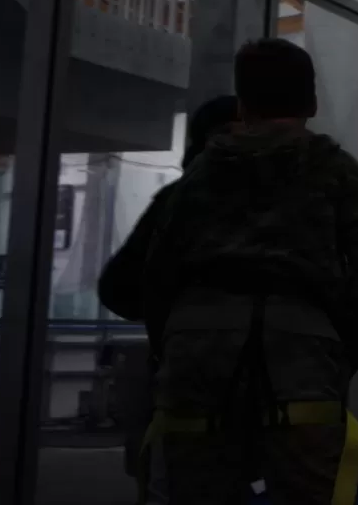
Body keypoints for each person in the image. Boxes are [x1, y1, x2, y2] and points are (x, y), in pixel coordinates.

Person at [124, 38, 358, 504]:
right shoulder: (337, 170)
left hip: (197, 355)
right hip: (302, 359)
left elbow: (157, 276)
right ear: (311, 101)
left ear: (242, 103)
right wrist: (335, 352)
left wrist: (174, 345)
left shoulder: (200, 175)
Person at [100, 94, 241, 504]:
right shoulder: (295, 200)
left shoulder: (178, 202)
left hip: (187, 382)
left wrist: (175, 318)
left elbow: (119, 289)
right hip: (266, 390)